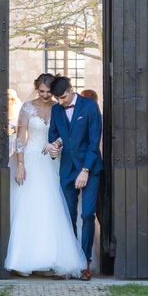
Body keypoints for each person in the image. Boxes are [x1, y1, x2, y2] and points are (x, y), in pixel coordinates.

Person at [4, 74, 87, 278]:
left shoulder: (58, 108)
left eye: (49, 92)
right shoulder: (27, 108)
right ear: (36, 89)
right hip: (31, 159)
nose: (44, 95)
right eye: (41, 91)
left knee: (53, 206)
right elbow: (20, 137)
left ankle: (53, 258)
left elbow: (66, 133)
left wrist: (57, 146)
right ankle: (25, 259)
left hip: (52, 161)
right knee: (30, 207)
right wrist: (21, 165)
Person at [45, 76, 103, 281]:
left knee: (87, 215)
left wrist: (85, 170)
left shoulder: (89, 107)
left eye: (62, 97)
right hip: (67, 170)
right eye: (57, 99)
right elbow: (53, 137)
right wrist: (53, 147)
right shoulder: (56, 110)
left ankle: (85, 262)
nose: (60, 102)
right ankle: (70, 261)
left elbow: (94, 142)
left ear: (71, 90)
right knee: (67, 216)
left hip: (90, 168)